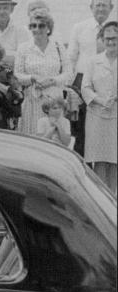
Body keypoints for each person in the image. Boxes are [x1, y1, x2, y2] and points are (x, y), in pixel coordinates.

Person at [14, 8, 73, 137]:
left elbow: (68, 72)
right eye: (33, 25)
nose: (37, 29)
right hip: (32, 100)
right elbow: (18, 74)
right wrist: (33, 78)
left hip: (54, 102)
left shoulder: (58, 47)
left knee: (54, 136)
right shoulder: (24, 48)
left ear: (48, 28)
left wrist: (53, 81)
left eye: (41, 25)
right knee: (32, 136)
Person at [68, 1, 115, 156]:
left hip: (108, 80)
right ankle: (82, 168)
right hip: (82, 82)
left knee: (108, 129)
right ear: (91, 8)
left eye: (104, 5)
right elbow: (71, 58)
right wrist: (70, 88)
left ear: (111, 8)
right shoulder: (79, 28)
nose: (101, 9)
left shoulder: (115, 30)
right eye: (97, 5)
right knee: (81, 129)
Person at [81, 19, 117, 193]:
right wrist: (101, 100)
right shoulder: (93, 61)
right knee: (100, 160)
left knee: (115, 159)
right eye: (108, 38)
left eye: (115, 38)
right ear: (102, 39)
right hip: (96, 115)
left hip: (116, 116)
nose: (111, 42)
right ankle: (101, 199)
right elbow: (85, 87)